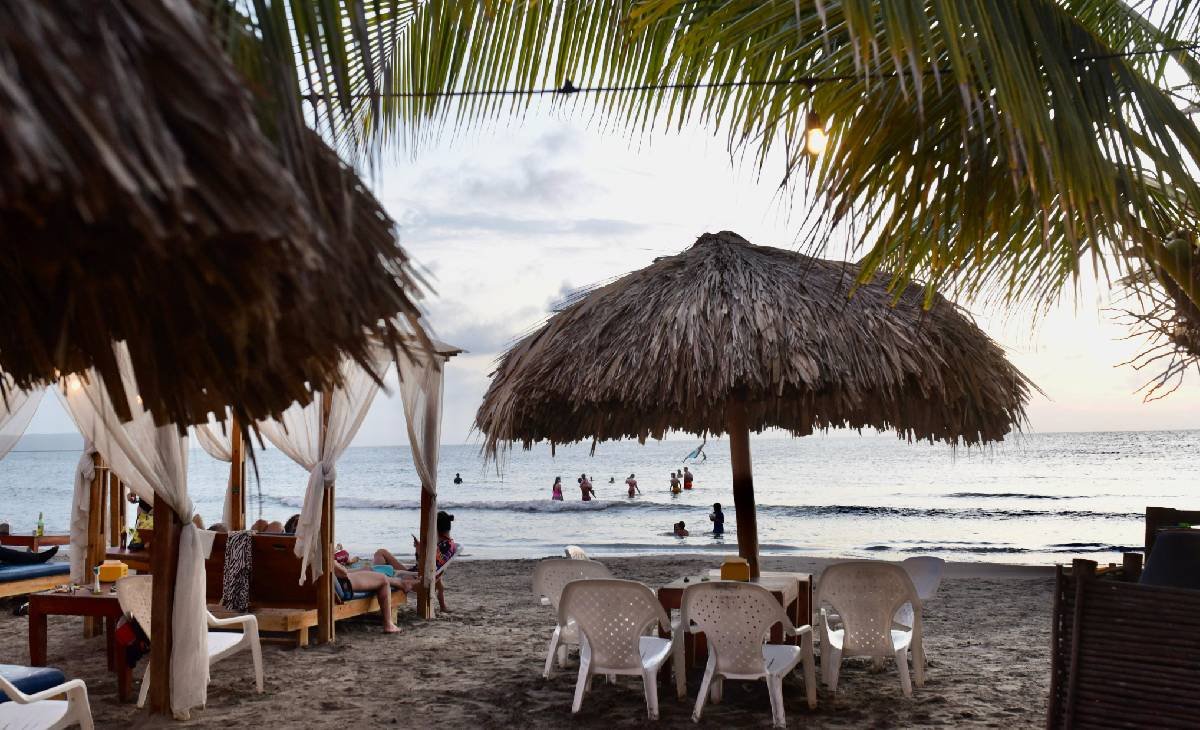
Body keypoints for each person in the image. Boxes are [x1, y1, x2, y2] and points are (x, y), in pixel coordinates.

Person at [374, 511, 457, 613]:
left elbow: (428, 568)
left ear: (435, 528)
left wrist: (419, 551)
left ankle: (376, 581)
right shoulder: (446, 544)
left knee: (380, 560)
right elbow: (436, 570)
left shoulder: (444, 547)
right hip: (413, 573)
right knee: (381, 552)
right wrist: (420, 549)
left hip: (416, 578)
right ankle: (378, 576)